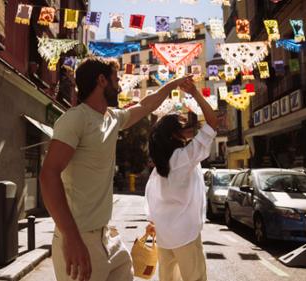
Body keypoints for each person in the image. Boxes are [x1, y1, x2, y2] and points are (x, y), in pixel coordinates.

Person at [39, 56, 192, 281]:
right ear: (102, 80)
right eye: (116, 79)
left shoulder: (112, 118)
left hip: (108, 237)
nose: (120, 85)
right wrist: (71, 237)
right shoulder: (74, 119)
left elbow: (145, 104)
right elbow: (48, 175)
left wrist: (173, 83)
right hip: (79, 238)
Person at [145, 79, 217, 281]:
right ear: (174, 134)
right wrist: (194, 92)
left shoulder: (160, 166)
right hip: (185, 233)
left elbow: (152, 196)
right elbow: (212, 123)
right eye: (183, 126)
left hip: (165, 236)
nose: (188, 130)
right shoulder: (184, 158)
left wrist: (152, 221)